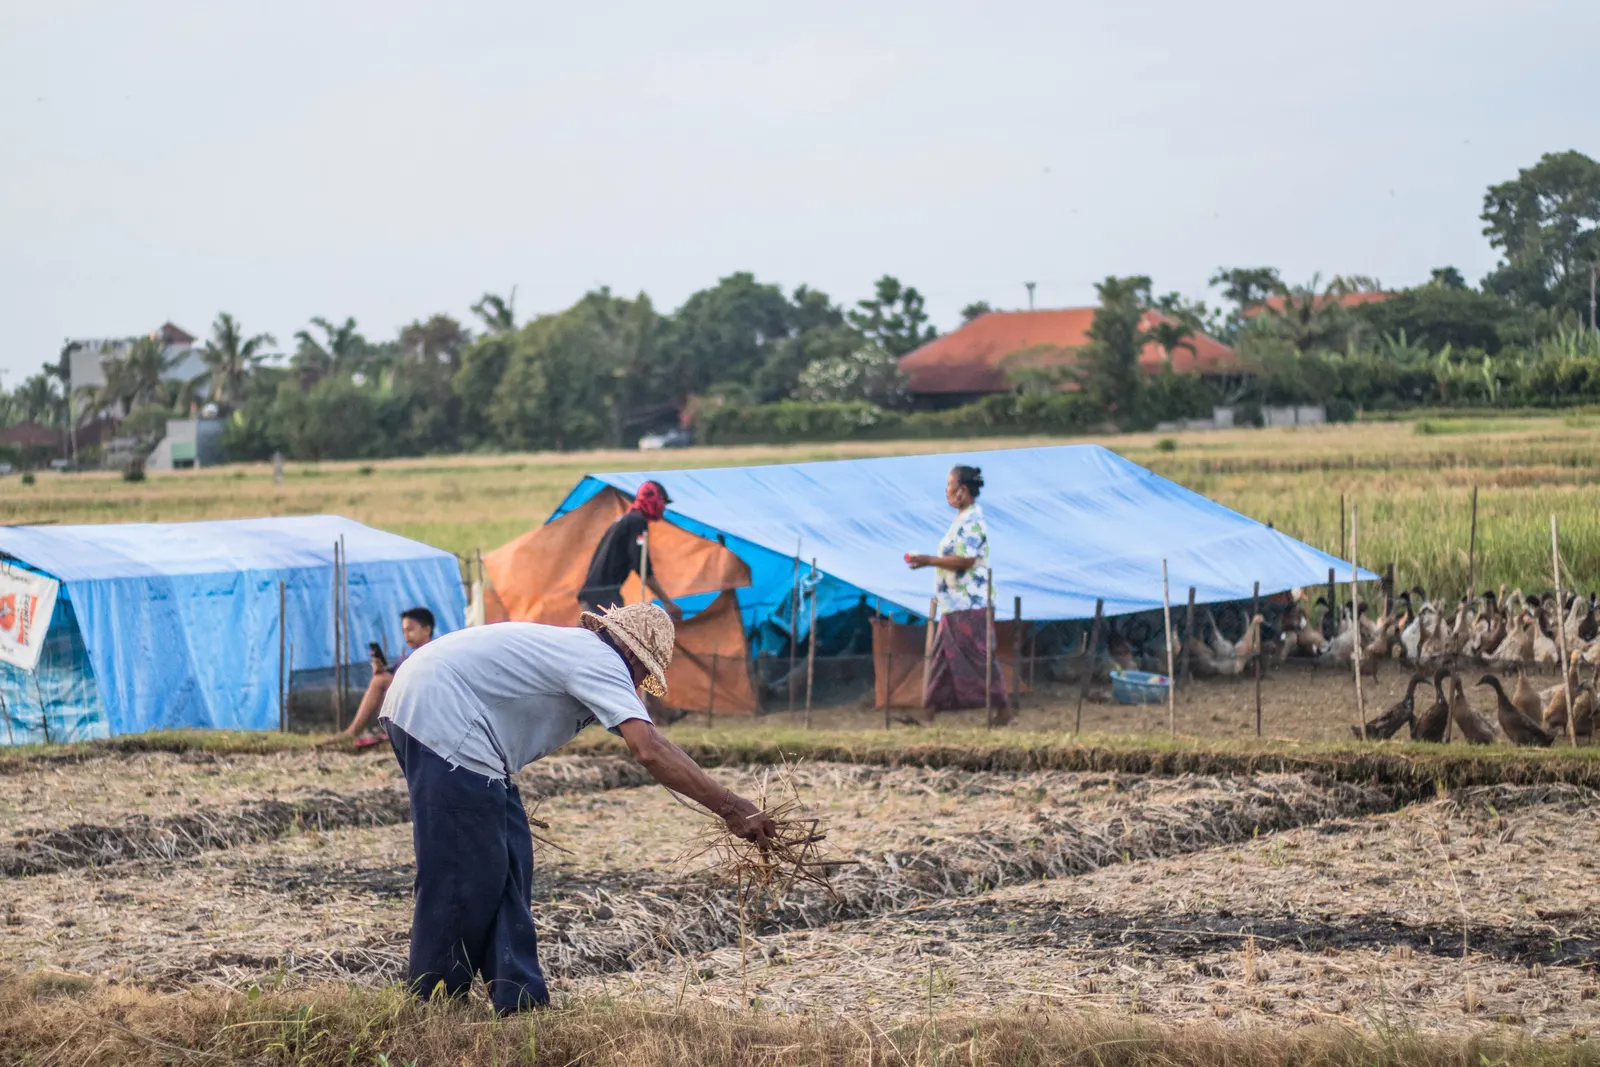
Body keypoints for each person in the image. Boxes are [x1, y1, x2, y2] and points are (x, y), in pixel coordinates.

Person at [378, 602, 774, 1014]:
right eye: (642, 677)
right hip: (444, 717)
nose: (637, 687)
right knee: (462, 871)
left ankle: (521, 1001)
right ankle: (433, 1004)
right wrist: (730, 807)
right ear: (636, 658)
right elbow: (649, 749)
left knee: (511, 860)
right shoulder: (602, 661)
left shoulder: (581, 651)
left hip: (438, 707)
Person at [904, 464, 1008, 719]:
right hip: (954, 603)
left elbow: (966, 560)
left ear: (962, 490)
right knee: (943, 657)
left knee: (976, 657)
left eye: (949, 485)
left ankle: (1002, 708)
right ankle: (929, 711)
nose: (946, 491)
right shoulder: (961, 520)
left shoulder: (974, 521)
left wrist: (928, 560)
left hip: (970, 603)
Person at [578, 480, 684, 619]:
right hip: (602, 594)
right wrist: (667, 602)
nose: (664, 509)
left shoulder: (627, 519)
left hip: (598, 593)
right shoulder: (636, 521)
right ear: (653, 501)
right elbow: (642, 567)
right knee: (621, 634)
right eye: (663, 502)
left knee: (601, 634)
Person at [341, 607, 435, 746]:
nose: (406, 636)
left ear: (427, 629)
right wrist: (380, 670)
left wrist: (383, 677)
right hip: (411, 703)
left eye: (410, 630)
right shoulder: (410, 656)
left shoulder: (432, 653)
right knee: (380, 679)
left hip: (424, 703)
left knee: (380, 681)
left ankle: (353, 732)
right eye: (403, 631)